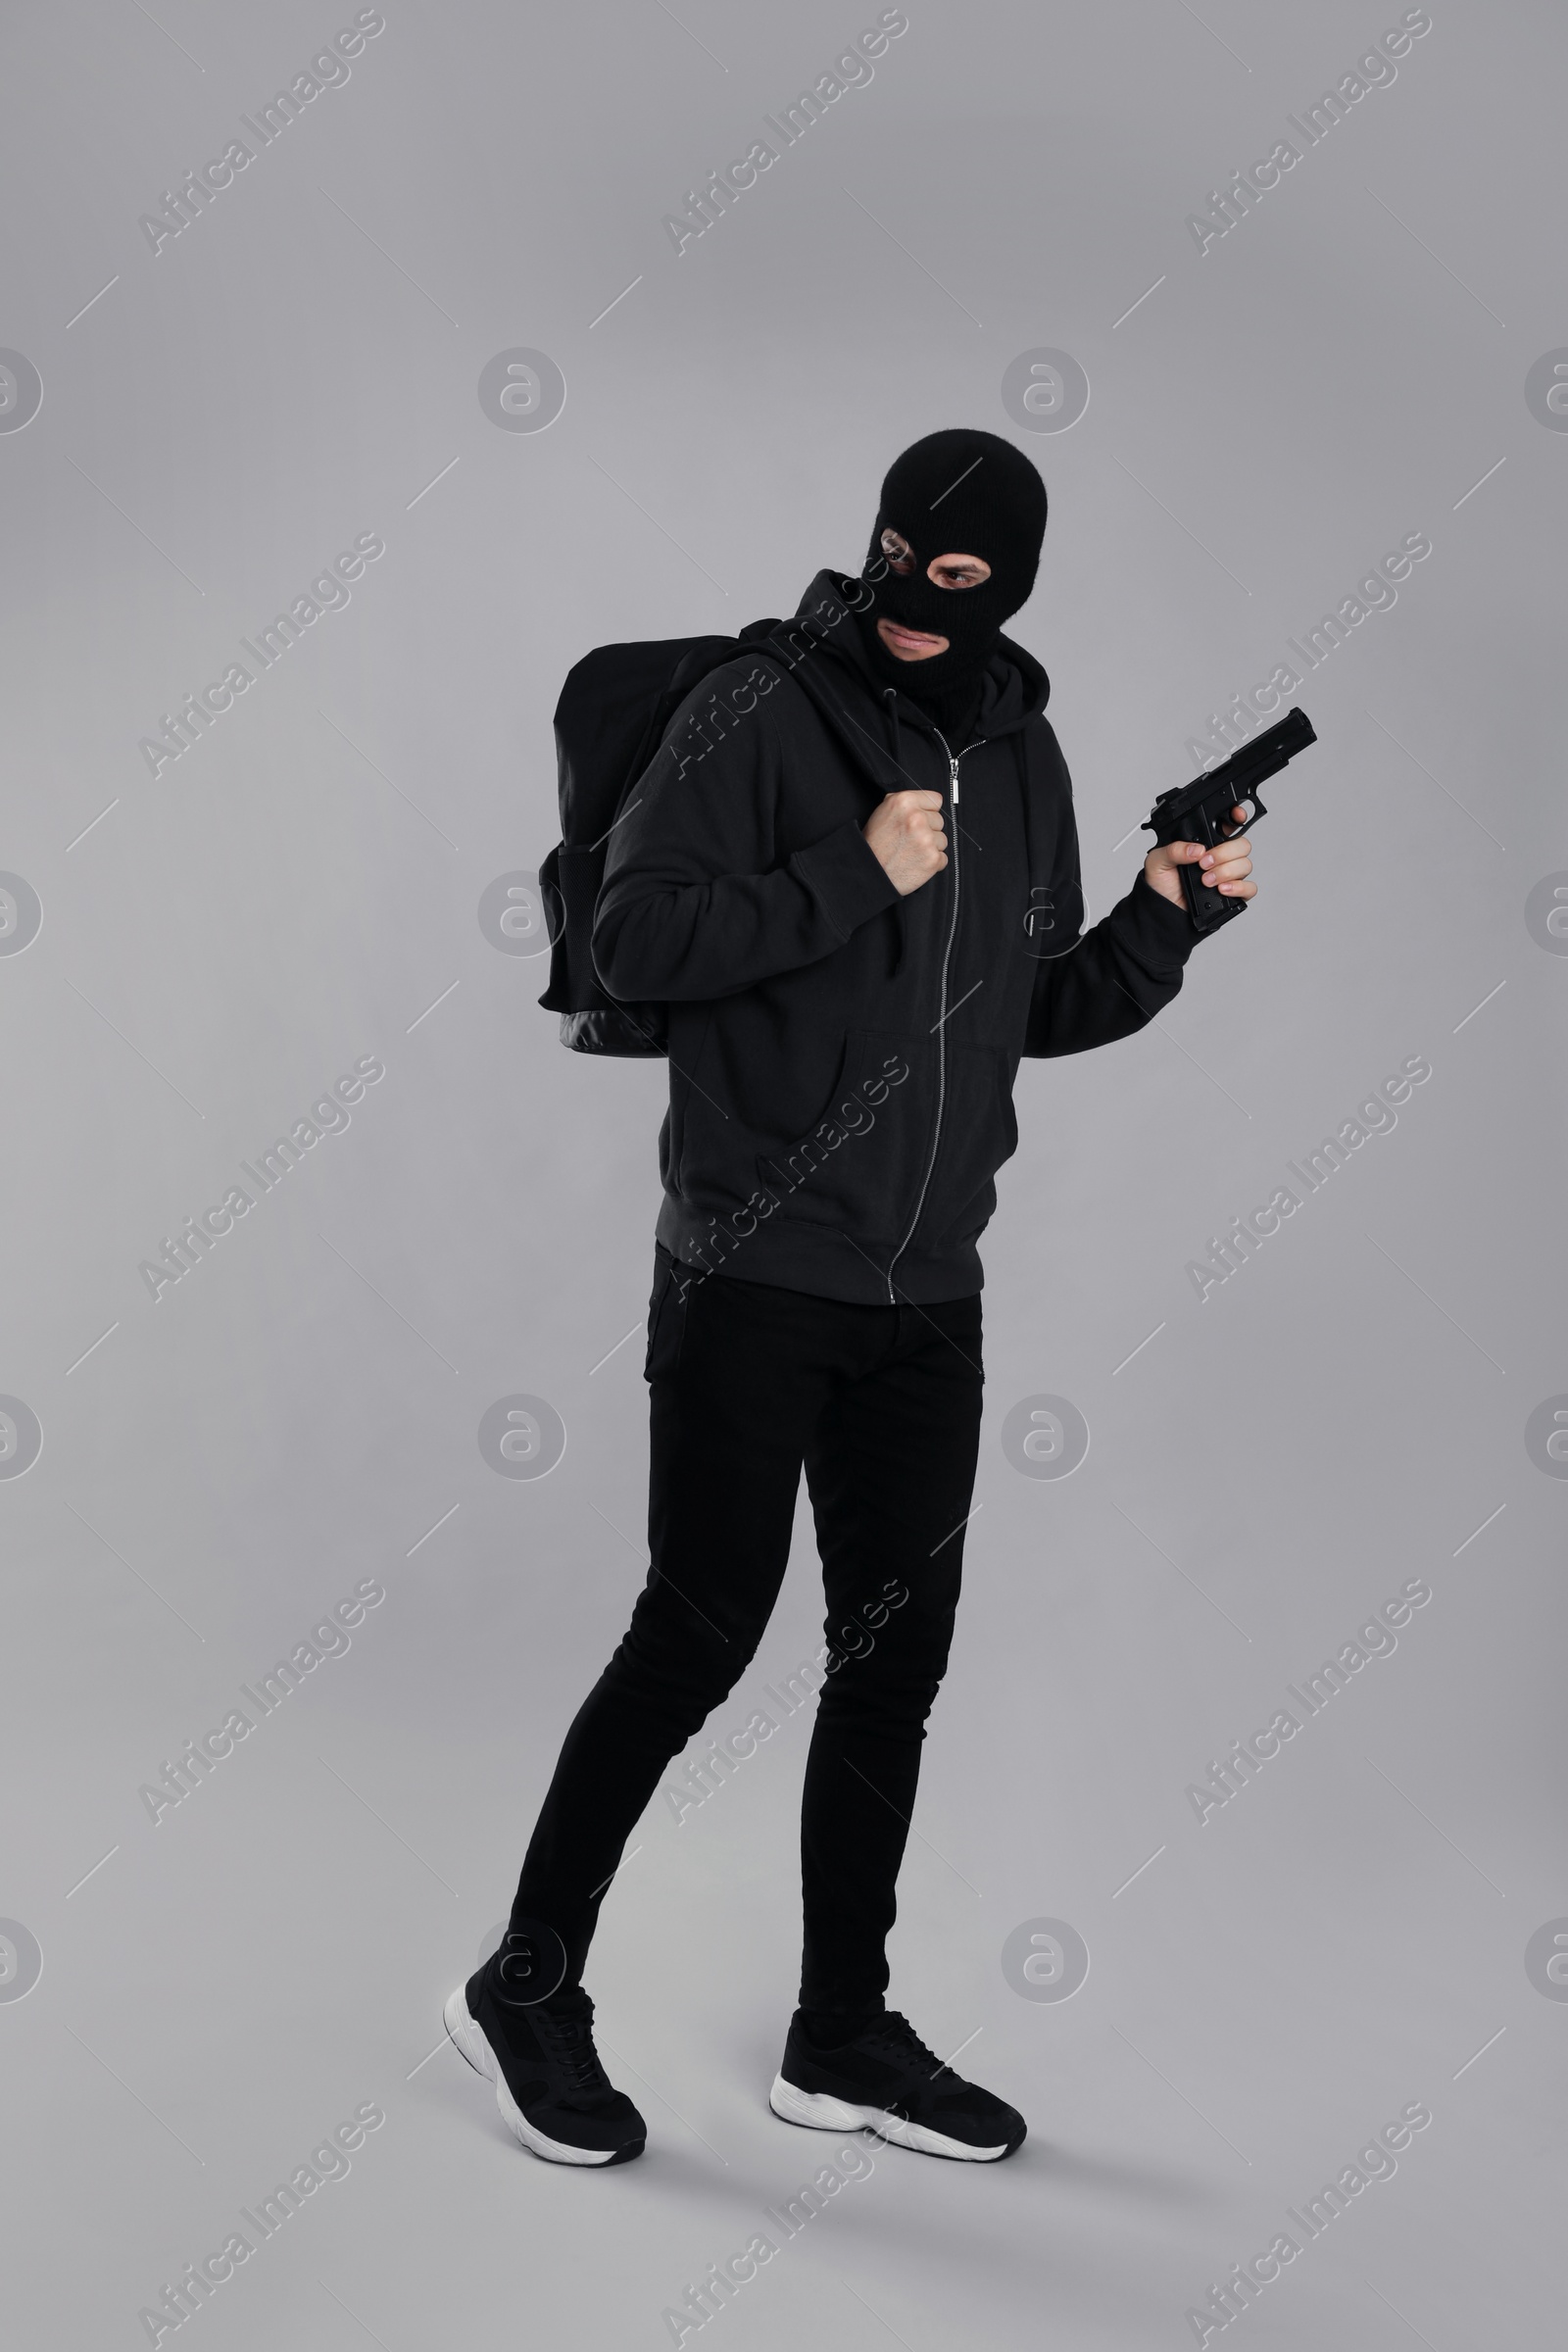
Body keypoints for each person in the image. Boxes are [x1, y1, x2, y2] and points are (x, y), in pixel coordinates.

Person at [444, 428, 1257, 2168]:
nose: (916, 600)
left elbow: (1032, 1006)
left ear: (1010, 591)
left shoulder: (1023, 751)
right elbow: (636, 946)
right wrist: (855, 871)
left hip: (929, 1299)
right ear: (872, 541)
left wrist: (1165, 920)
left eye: (959, 580)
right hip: (749, 1271)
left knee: (891, 1665)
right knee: (697, 1637)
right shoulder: (757, 712)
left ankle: (839, 2034)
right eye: (899, 556)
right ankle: (522, 1985)